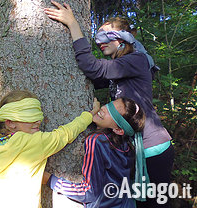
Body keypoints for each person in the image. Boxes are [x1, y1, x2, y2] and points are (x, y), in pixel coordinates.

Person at [45, 2, 174, 207]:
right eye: (98, 37)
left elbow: (93, 68)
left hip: (153, 149)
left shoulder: (136, 60)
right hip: (134, 148)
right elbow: (95, 78)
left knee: (154, 204)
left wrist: (72, 24)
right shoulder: (121, 68)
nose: (100, 42)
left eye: (107, 35)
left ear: (124, 38)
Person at [0, 90, 100, 208]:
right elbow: (64, 135)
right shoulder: (32, 143)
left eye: (38, 115)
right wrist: (89, 115)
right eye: (30, 117)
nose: (38, 121)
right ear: (10, 123)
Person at [43, 97, 145, 208]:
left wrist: (50, 180)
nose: (104, 108)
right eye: (109, 104)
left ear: (119, 130)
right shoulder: (129, 144)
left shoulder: (96, 141)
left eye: (113, 113)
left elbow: (88, 192)